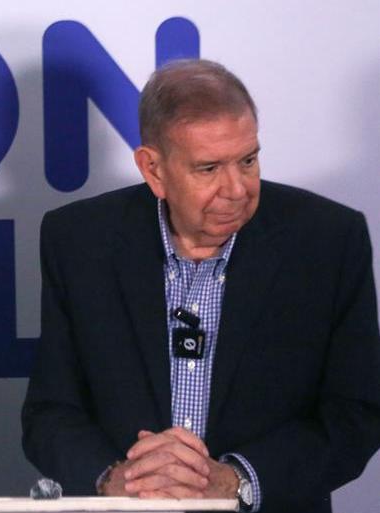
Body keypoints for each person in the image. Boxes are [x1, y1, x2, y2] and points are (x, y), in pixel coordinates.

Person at [21, 59, 380, 512]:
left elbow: (355, 414)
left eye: (248, 160)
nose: (237, 189)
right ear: (153, 169)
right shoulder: (79, 242)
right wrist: (119, 480)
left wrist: (235, 480)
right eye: (209, 169)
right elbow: (50, 414)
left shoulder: (328, 241)